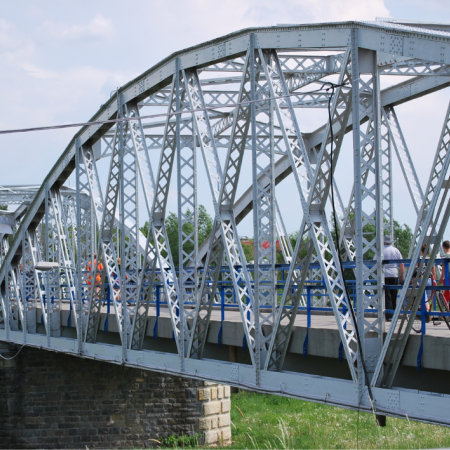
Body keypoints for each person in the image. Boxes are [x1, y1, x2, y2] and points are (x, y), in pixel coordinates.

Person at [380, 235, 404, 321]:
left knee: (387, 295)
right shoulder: (396, 250)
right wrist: (402, 276)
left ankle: (389, 315)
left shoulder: (381, 250)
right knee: (394, 294)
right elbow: (402, 264)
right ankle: (394, 314)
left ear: (384, 242)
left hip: (384, 275)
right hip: (394, 274)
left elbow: (375, 263)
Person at [438, 240, 450, 305]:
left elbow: (443, 269)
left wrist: (441, 278)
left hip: (448, 277)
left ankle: (444, 307)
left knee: (447, 293)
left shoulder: (445, 256)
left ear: (444, 247)